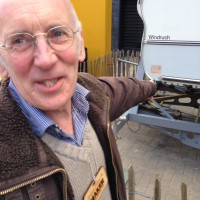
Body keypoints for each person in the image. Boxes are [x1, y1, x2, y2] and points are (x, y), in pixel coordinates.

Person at [0, 0, 157, 199]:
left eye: (58, 33)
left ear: (80, 44)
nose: (46, 59)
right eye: (19, 40)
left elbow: (126, 89)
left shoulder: (94, 96)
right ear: (1, 62)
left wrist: (151, 87)